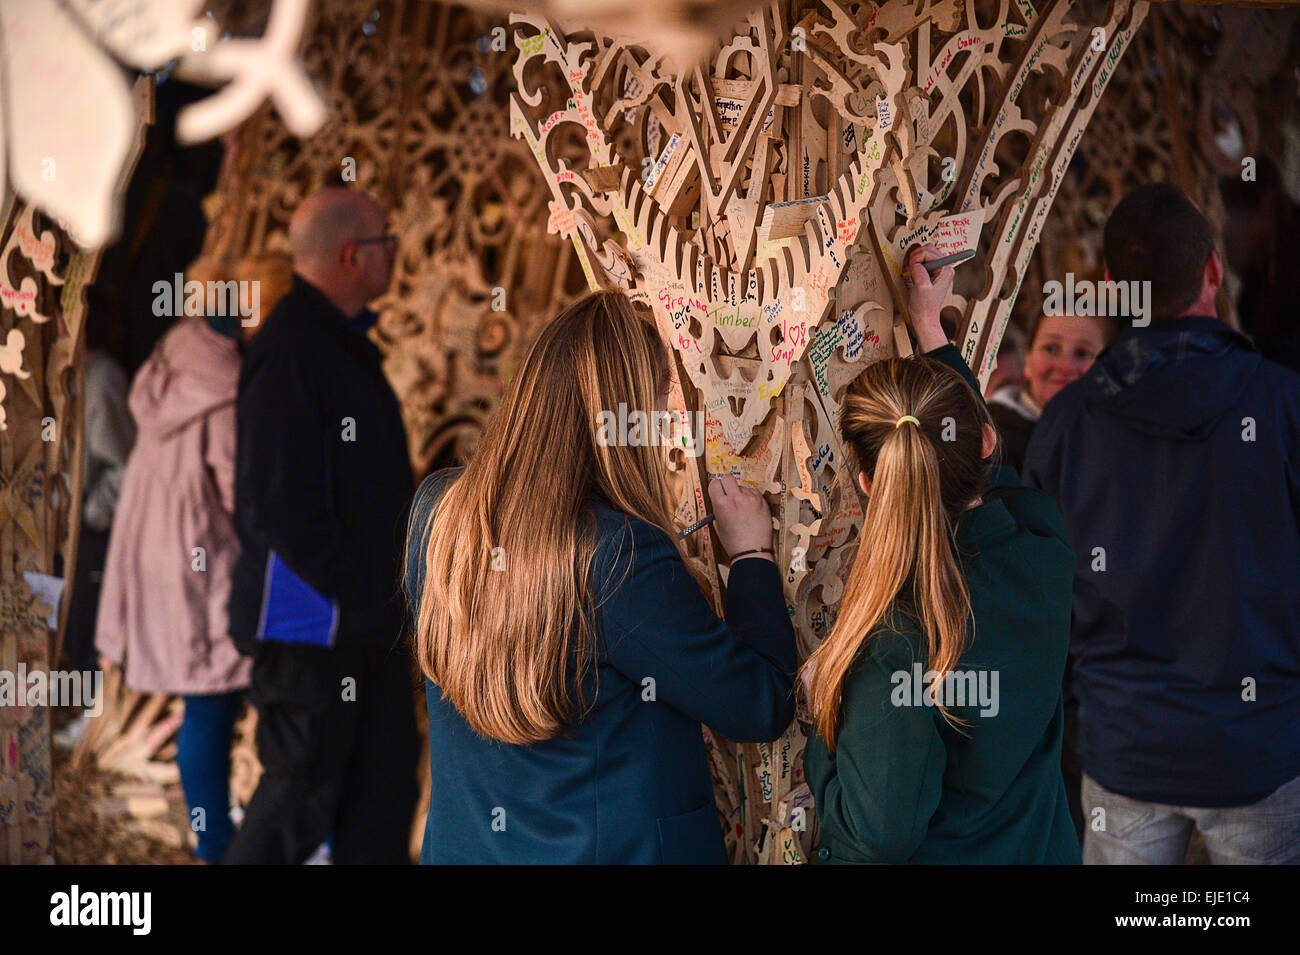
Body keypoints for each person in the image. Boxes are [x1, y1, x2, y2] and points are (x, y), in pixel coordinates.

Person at [404, 289, 796, 864]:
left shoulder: (438, 516)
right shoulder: (619, 556)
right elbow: (760, 705)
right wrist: (752, 558)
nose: (669, 424)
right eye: (660, 402)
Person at [1023, 182, 1300, 864]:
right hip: (1256, 745)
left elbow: (1039, 595)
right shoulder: (1284, 406)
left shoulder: (1064, 425)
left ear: (1114, 290)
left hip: (1124, 749)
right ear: (1212, 270)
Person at [801, 244, 1079, 865]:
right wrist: (932, 328)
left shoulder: (898, 639)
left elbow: (878, 834)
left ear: (869, 484)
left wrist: (822, 725)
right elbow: (982, 469)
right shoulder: (1040, 541)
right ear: (984, 438)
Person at [223, 188, 419, 865]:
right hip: (313, 625)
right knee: (296, 804)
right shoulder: (291, 350)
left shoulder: (336, 342)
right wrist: (357, 592)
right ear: (350, 255)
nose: (394, 253)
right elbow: (279, 505)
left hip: (365, 623)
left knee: (381, 794)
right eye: (386, 241)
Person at [94, 265, 249, 863]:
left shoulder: (170, 364)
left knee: (202, 705)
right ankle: (218, 845)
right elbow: (245, 495)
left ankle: (217, 836)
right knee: (211, 706)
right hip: (204, 566)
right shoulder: (225, 389)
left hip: (156, 558)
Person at [988, 299, 1112, 472]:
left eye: (1083, 353)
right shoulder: (992, 438)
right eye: (1051, 349)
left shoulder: (1117, 441)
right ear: (1028, 358)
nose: (1065, 367)